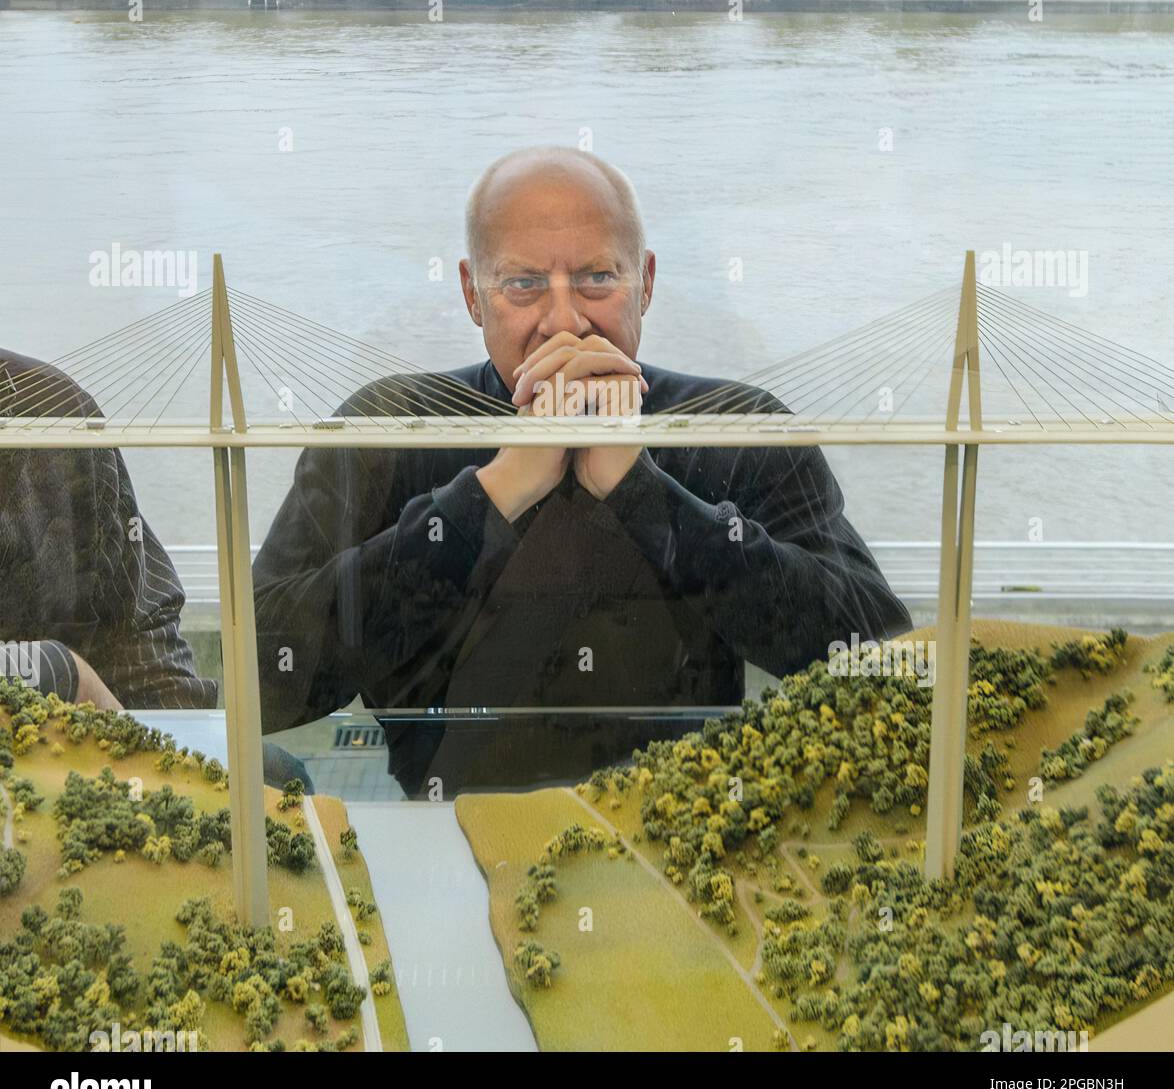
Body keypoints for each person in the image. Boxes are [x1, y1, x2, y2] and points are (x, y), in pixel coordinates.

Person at [253, 146, 911, 795]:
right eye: (523, 284)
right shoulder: (389, 427)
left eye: (597, 278)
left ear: (645, 283)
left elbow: (883, 661)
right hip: (444, 822)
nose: (564, 321)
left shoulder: (733, 423)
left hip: (681, 823)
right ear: (472, 294)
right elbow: (260, 682)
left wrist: (646, 495)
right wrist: (491, 494)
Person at [0, 348, 215, 709]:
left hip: (71, 750)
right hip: (61, 734)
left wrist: (181, 744)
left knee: (271, 767)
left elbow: (140, 636)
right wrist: (58, 671)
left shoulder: (55, 410)